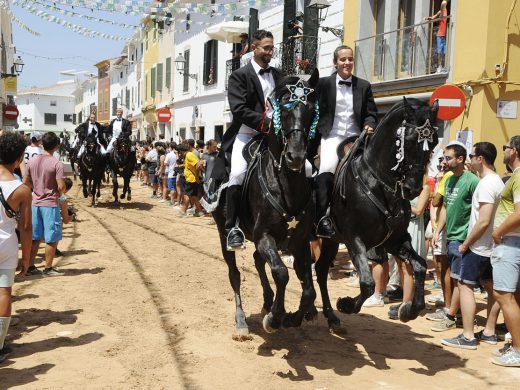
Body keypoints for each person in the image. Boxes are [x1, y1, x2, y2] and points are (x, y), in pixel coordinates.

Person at [222, 29, 282, 249]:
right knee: (238, 173)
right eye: (266, 48)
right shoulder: (239, 76)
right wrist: (265, 123)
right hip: (248, 134)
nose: (270, 52)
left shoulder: (279, 75)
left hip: (276, 136)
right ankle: (233, 227)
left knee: (303, 167)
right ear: (254, 48)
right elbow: (239, 109)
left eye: (271, 48)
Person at [441, 142, 504, 349]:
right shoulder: (497, 182)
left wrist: (466, 243)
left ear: (480, 159)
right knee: (491, 287)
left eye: (472, 155)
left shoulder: (485, 184)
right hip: (491, 247)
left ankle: (468, 336)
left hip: (479, 246)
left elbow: (483, 220)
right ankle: (489, 331)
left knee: (465, 285)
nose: (469, 159)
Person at [314, 45, 378, 238]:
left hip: (356, 137)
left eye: (350, 59)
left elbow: (371, 114)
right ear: (336, 63)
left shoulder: (364, 85)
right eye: (343, 59)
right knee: (326, 168)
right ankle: (321, 219)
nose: (347, 63)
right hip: (332, 136)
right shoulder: (323, 84)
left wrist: (369, 125)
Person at [431, 142, 479, 332]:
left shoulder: (472, 181)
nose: (444, 161)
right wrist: (438, 230)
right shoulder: (449, 179)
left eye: (448, 157)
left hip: (463, 239)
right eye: (443, 157)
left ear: (460, 159)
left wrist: (469, 239)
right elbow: (444, 207)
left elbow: (480, 210)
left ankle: (454, 317)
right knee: (454, 277)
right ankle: (456, 314)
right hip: (450, 237)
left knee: (462, 281)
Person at [0, 132, 32, 363]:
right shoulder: (21, 190)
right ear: (19, 158)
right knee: (3, 293)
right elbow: (26, 228)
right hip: (6, 242)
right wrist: (27, 258)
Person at [490, 136, 520, 366]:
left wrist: (498, 232)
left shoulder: (518, 176)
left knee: (503, 295)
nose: (504, 151)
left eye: (506, 147)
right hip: (512, 243)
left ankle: (518, 350)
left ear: (514, 151)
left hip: (510, 242)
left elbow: (519, 213)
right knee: (513, 296)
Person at [23, 132, 66, 276]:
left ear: (42, 143)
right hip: (50, 204)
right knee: (51, 238)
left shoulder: (33, 161)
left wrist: (36, 189)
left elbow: (26, 181)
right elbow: (60, 187)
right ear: (57, 146)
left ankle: (30, 266)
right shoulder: (56, 163)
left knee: (35, 237)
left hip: (35, 203)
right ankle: (48, 268)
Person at [179, 139, 203, 217]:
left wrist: (196, 176)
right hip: (191, 178)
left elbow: (198, 165)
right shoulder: (188, 155)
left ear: (182, 151)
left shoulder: (189, 155)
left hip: (191, 179)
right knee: (194, 196)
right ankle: (199, 211)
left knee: (187, 195)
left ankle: (183, 211)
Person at [425, 0, 449, 73]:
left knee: (444, 52)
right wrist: (429, 18)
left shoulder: (444, 10)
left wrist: (431, 17)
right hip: (440, 34)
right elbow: (443, 3)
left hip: (444, 34)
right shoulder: (441, 11)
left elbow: (443, 4)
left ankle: (443, 66)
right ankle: (439, 66)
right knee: (439, 52)